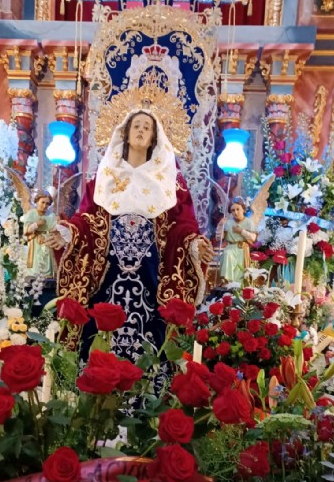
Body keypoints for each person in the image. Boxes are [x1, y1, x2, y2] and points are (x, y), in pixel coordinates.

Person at [47, 109, 213, 360]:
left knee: (152, 334)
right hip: (107, 271)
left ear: (154, 138)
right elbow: (87, 218)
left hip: (152, 272)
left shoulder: (170, 180)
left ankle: (150, 388)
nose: (141, 130)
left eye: (147, 127)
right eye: (136, 125)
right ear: (125, 133)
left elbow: (181, 223)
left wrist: (194, 244)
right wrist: (68, 233)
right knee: (101, 333)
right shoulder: (105, 176)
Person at [219, 197, 257, 286]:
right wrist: (220, 226)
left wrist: (241, 231)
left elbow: (253, 238)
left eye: (238, 209)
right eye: (233, 210)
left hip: (242, 248)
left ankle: (238, 287)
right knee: (227, 254)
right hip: (231, 247)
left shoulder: (248, 222)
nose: (235, 212)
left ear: (243, 209)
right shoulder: (228, 223)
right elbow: (219, 238)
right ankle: (226, 281)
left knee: (240, 271)